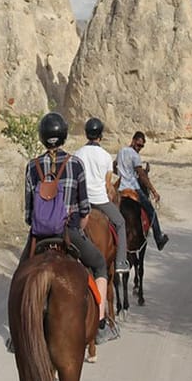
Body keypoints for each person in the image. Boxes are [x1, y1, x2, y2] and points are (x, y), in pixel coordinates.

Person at [20, 112, 116, 345]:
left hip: (39, 237)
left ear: (42, 138)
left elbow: (28, 215)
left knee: (20, 276)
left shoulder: (32, 166)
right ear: (63, 136)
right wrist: (78, 228)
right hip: (69, 234)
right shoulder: (75, 164)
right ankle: (102, 324)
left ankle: (17, 334)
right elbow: (84, 210)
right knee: (100, 265)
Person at [74, 117, 129, 275]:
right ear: (100, 136)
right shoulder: (105, 156)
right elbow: (107, 184)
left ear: (86, 134)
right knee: (120, 223)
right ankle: (120, 262)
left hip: (81, 201)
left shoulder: (77, 154)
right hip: (100, 200)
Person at [115, 131, 169, 250]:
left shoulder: (121, 151)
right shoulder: (135, 155)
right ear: (133, 140)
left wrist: (122, 173)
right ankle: (159, 238)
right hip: (133, 187)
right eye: (138, 145)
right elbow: (142, 176)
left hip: (120, 189)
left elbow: (115, 166)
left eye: (142, 146)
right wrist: (154, 191)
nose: (139, 148)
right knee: (151, 212)